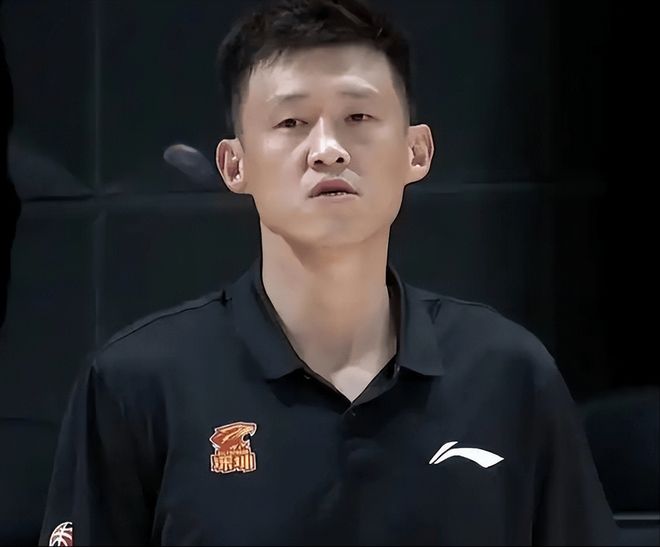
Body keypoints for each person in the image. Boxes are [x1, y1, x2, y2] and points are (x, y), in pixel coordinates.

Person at [39, 0, 619, 544]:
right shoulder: (138, 385)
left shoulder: (508, 374)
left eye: (358, 116)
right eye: (291, 122)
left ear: (416, 152)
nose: (327, 149)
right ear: (235, 164)